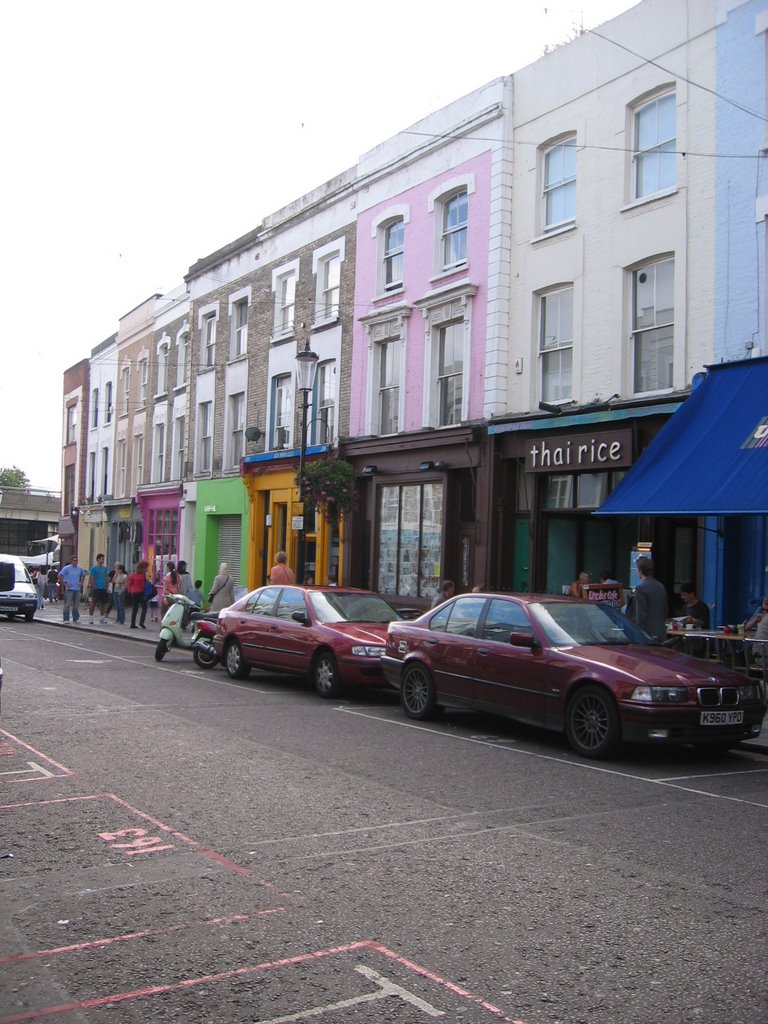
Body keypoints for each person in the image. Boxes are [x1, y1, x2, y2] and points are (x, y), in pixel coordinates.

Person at [630, 556, 668, 642]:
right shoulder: (661, 586)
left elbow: (640, 614)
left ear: (640, 571)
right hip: (661, 632)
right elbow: (665, 611)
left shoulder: (640, 588)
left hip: (647, 634)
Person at [59, 555, 86, 624]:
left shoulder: (79, 568)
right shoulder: (67, 568)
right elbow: (60, 575)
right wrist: (65, 583)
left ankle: (75, 618)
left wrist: (81, 582)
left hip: (77, 589)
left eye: (76, 560)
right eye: (74, 560)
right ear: (71, 561)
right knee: (67, 604)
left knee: (76, 605)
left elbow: (83, 575)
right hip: (69, 588)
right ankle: (66, 618)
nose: (75, 562)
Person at [127, 559, 149, 629]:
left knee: (135, 608)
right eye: (146, 567)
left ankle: (132, 624)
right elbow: (143, 586)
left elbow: (130, 583)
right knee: (144, 607)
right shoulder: (142, 576)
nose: (147, 569)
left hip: (133, 593)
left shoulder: (134, 574)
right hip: (140, 592)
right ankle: (141, 622)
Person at [88, 553, 110, 624]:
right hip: (97, 588)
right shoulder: (93, 568)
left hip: (103, 588)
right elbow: (91, 578)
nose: (103, 560)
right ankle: (91, 618)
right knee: (94, 603)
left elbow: (107, 578)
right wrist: (95, 587)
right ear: (98, 559)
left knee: (103, 603)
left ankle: (102, 618)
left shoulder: (105, 568)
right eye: (101, 559)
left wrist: (107, 587)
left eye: (103, 559)